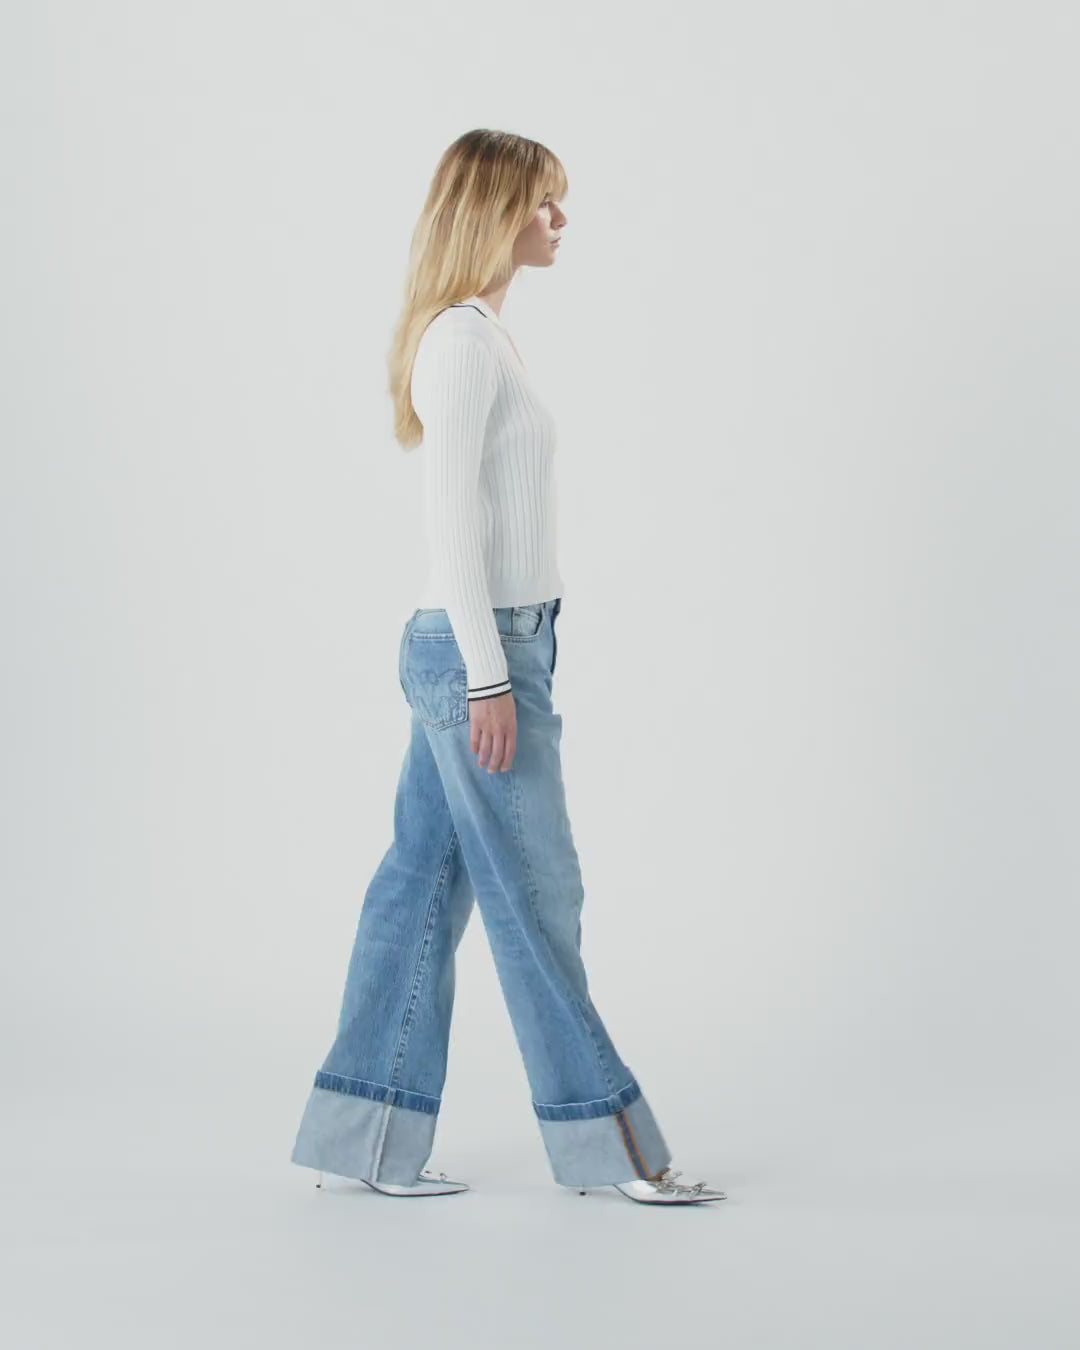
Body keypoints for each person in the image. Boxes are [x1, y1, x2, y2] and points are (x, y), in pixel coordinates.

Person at [289, 129, 725, 1206]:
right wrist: (490, 679)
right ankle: (613, 1150)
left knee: (420, 888)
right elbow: (451, 525)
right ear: (491, 212)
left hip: (487, 643)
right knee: (537, 895)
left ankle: (367, 1141)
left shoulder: (482, 336)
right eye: (542, 203)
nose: (559, 221)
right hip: (479, 650)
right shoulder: (461, 343)